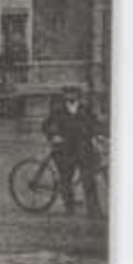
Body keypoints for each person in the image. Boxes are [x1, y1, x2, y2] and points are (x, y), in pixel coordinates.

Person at [42, 85, 104, 216]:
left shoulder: (85, 109)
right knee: (66, 179)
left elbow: (94, 124)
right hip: (65, 149)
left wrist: (96, 135)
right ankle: (69, 207)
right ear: (64, 96)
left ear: (78, 95)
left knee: (89, 179)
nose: (70, 96)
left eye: (73, 93)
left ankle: (94, 210)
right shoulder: (58, 110)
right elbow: (46, 125)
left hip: (83, 149)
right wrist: (54, 136)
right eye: (68, 93)